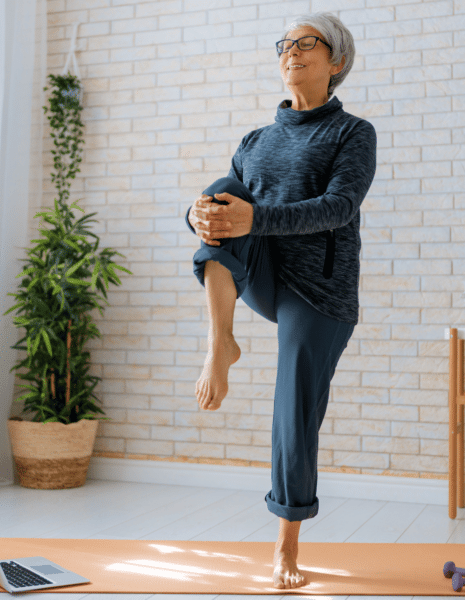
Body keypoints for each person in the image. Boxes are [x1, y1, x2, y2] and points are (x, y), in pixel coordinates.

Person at [185, 12, 377, 590]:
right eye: (285, 44)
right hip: (265, 275)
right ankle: (221, 341)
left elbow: (340, 207)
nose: (292, 51)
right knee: (223, 193)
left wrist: (255, 217)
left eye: (307, 43)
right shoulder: (255, 140)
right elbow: (229, 211)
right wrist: (197, 214)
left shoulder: (352, 134)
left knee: (293, 405)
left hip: (320, 293)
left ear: (335, 62)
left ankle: (286, 541)